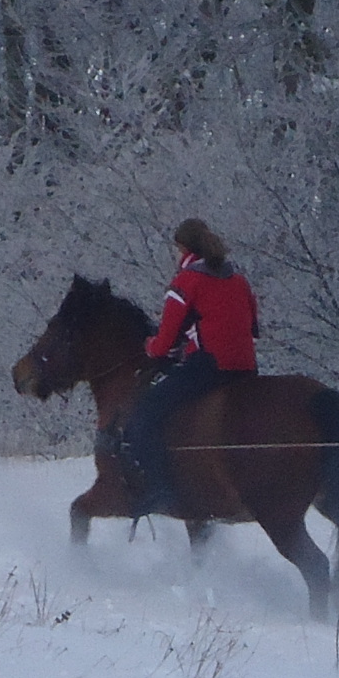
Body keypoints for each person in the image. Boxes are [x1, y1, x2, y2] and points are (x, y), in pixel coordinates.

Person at [125, 218, 258, 517]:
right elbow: (251, 325)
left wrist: (150, 347)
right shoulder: (239, 279)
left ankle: (161, 488)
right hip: (246, 368)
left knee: (145, 412)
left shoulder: (186, 281)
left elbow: (164, 342)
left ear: (183, 248)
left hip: (210, 367)